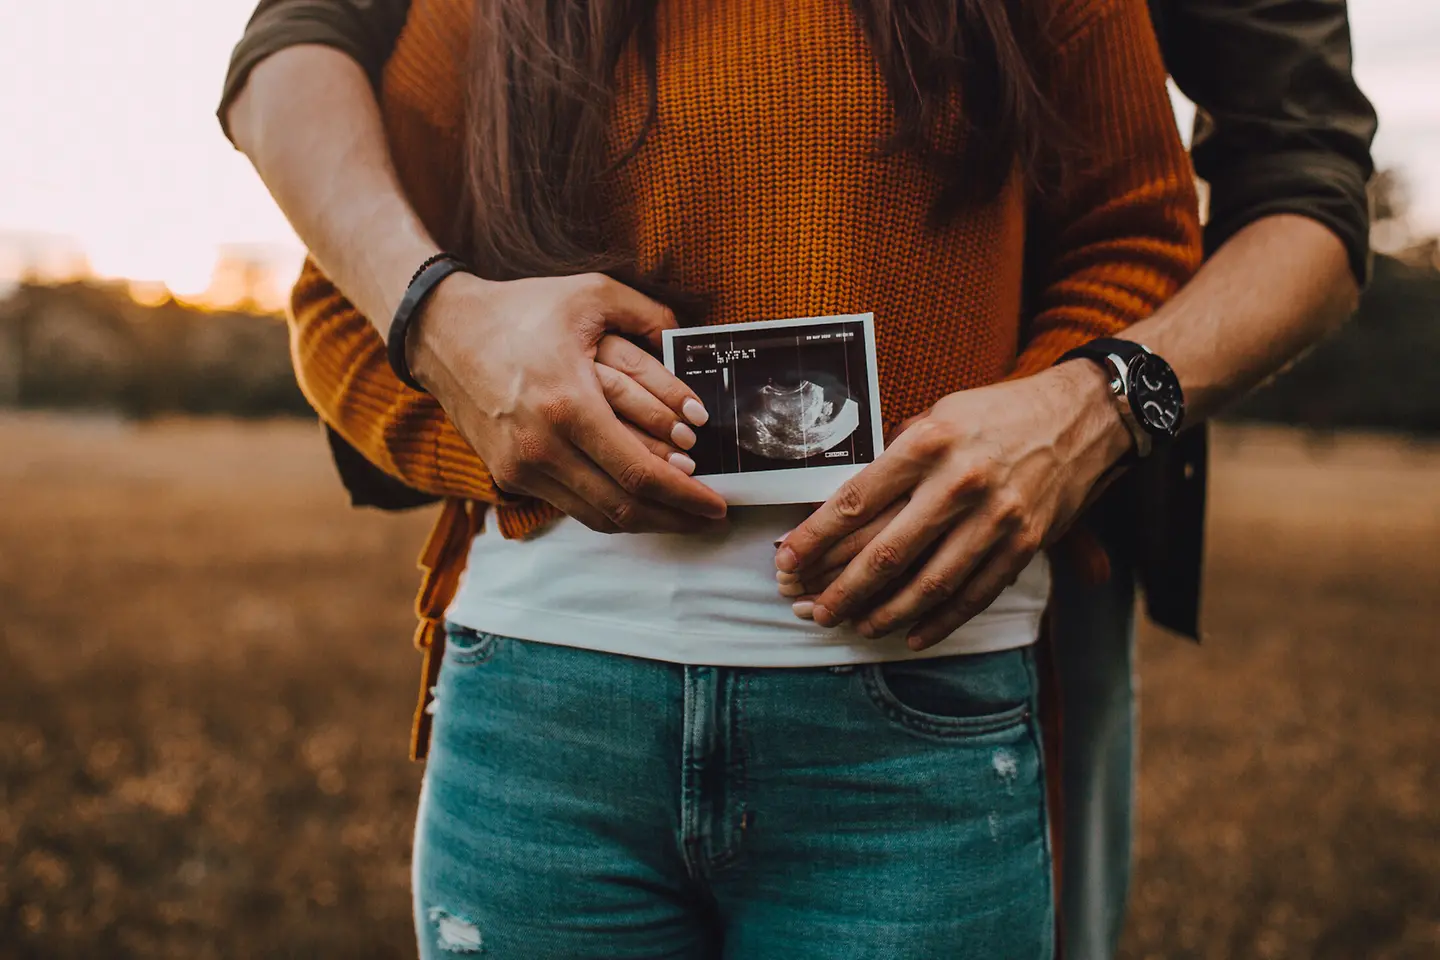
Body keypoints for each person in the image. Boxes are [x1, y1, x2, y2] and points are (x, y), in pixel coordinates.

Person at [216, 2, 1361, 958]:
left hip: (921, 711)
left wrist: (1061, 414)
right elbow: (346, 291)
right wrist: (493, 411)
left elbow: (1139, 228)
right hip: (544, 709)